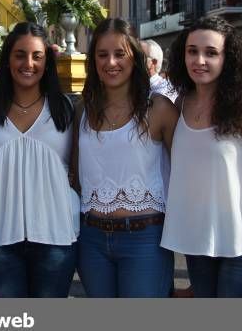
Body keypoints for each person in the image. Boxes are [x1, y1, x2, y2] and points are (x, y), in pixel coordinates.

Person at [161, 17, 242, 298]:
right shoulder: (180, 103)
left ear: (228, 59)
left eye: (211, 53)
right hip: (197, 240)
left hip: (241, 243)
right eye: (192, 51)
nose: (199, 60)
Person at [71, 18, 178, 297]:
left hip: (146, 239)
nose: (111, 63)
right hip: (92, 240)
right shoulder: (83, 110)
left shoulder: (159, 108)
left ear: (135, 58)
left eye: (120, 54)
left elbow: (187, 172)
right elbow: (75, 176)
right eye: (102, 54)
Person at [0, 22, 77, 297]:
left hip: (55, 235)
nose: (28, 63)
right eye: (19, 55)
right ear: (7, 59)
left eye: (37, 56)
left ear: (47, 62)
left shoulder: (66, 107)